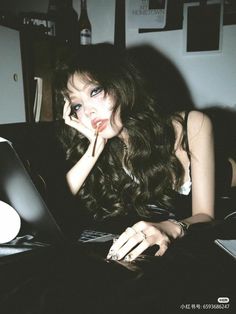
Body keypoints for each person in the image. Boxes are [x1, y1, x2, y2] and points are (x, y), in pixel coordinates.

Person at [55, 43, 236, 262]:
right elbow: (54, 208)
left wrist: (171, 228)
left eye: (95, 91)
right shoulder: (107, 145)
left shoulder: (192, 125)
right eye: (77, 106)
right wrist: (93, 151)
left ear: (122, 84)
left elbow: (206, 215)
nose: (89, 111)